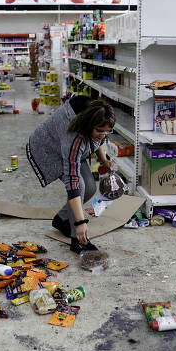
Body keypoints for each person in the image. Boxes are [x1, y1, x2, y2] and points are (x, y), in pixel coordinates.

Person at [26, 96, 116, 253]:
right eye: (99, 131)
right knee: (79, 185)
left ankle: (61, 219)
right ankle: (78, 240)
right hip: (48, 148)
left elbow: (98, 140)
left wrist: (104, 161)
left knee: (89, 188)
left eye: (107, 131)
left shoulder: (97, 115)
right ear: (88, 126)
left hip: (71, 147)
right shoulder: (74, 138)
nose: (103, 134)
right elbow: (72, 180)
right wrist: (80, 223)